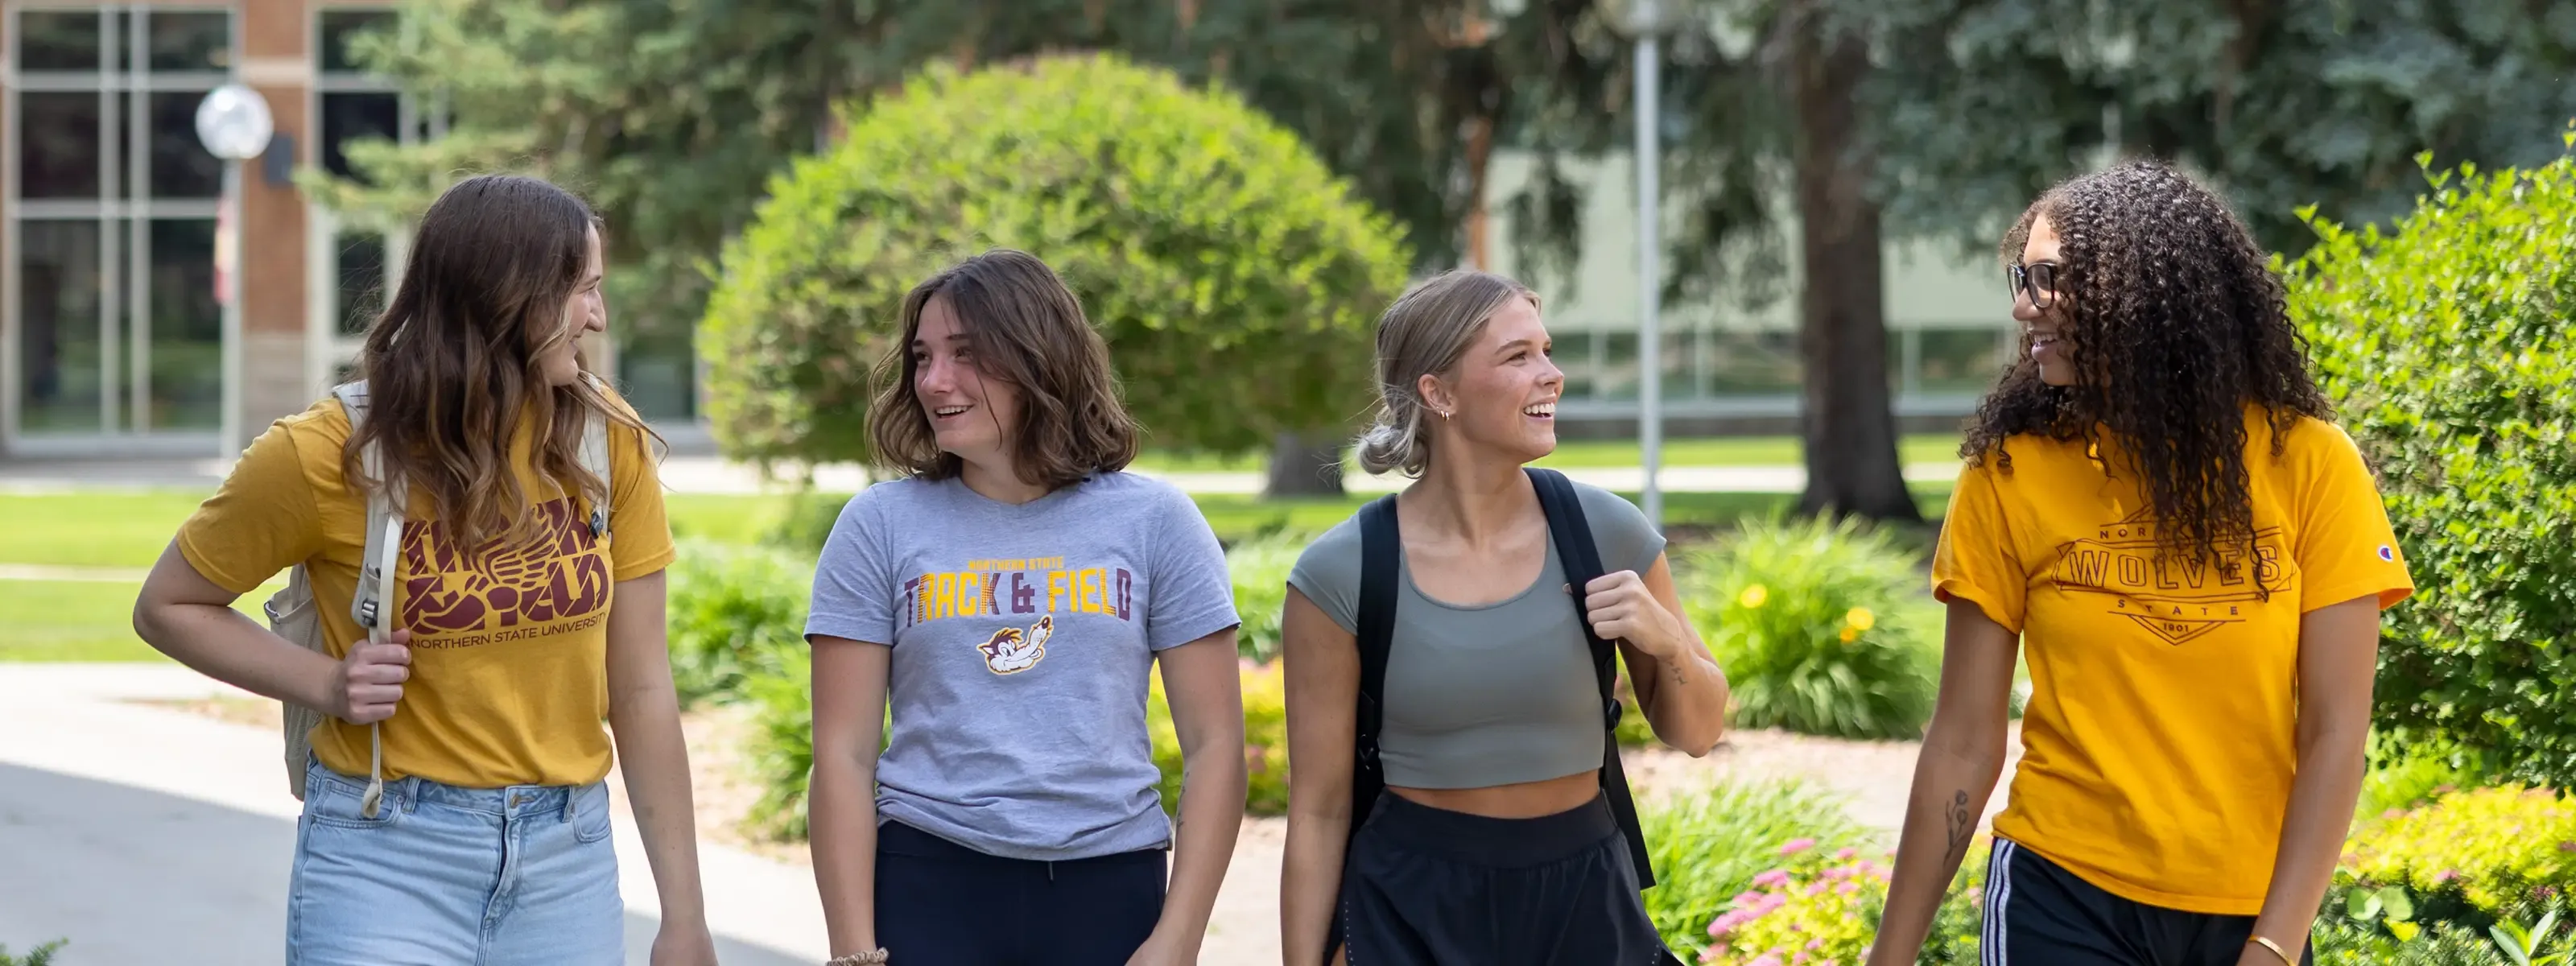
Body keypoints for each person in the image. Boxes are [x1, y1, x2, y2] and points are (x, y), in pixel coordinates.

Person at [131, 174, 716, 964]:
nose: (597, 317)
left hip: (564, 860)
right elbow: (169, 604)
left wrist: (684, 917)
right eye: (582, 291)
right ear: (510, 298)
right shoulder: (327, 451)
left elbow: (642, 687)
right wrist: (326, 684)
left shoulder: (603, 445)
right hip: (383, 853)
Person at [1866, 159, 2415, 966]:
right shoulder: (2007, 472)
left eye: (2047, 279)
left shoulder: (2307, 463)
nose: (2023, 306)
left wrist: (2272, 943)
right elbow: (1962, 739)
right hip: (2061, 893)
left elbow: (2335, 731)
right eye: (2021, 279)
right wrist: (1890, 954)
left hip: (2247, 906)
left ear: (2140, 292)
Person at [803, 249, 1248, 966]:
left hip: (1112, 888)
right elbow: (843, 756)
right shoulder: (879, 525)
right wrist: (854, 951)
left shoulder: (1157, 521)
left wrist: (1177, 941)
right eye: (923, 356)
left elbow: (1216, 746)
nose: (934, 381)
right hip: (928, 882)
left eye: (966, 354)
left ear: (1041, 360)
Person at [1278, 269, 1732, 966]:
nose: (1551, 375)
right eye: (1518, 356)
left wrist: (1666, 638)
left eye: (1546, 351)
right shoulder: (1343, 572)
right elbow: (1317, 810)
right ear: (1439, 392)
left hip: (1584, 894)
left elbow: (1699, 732)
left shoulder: (1604, 533)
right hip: (1410, 906)